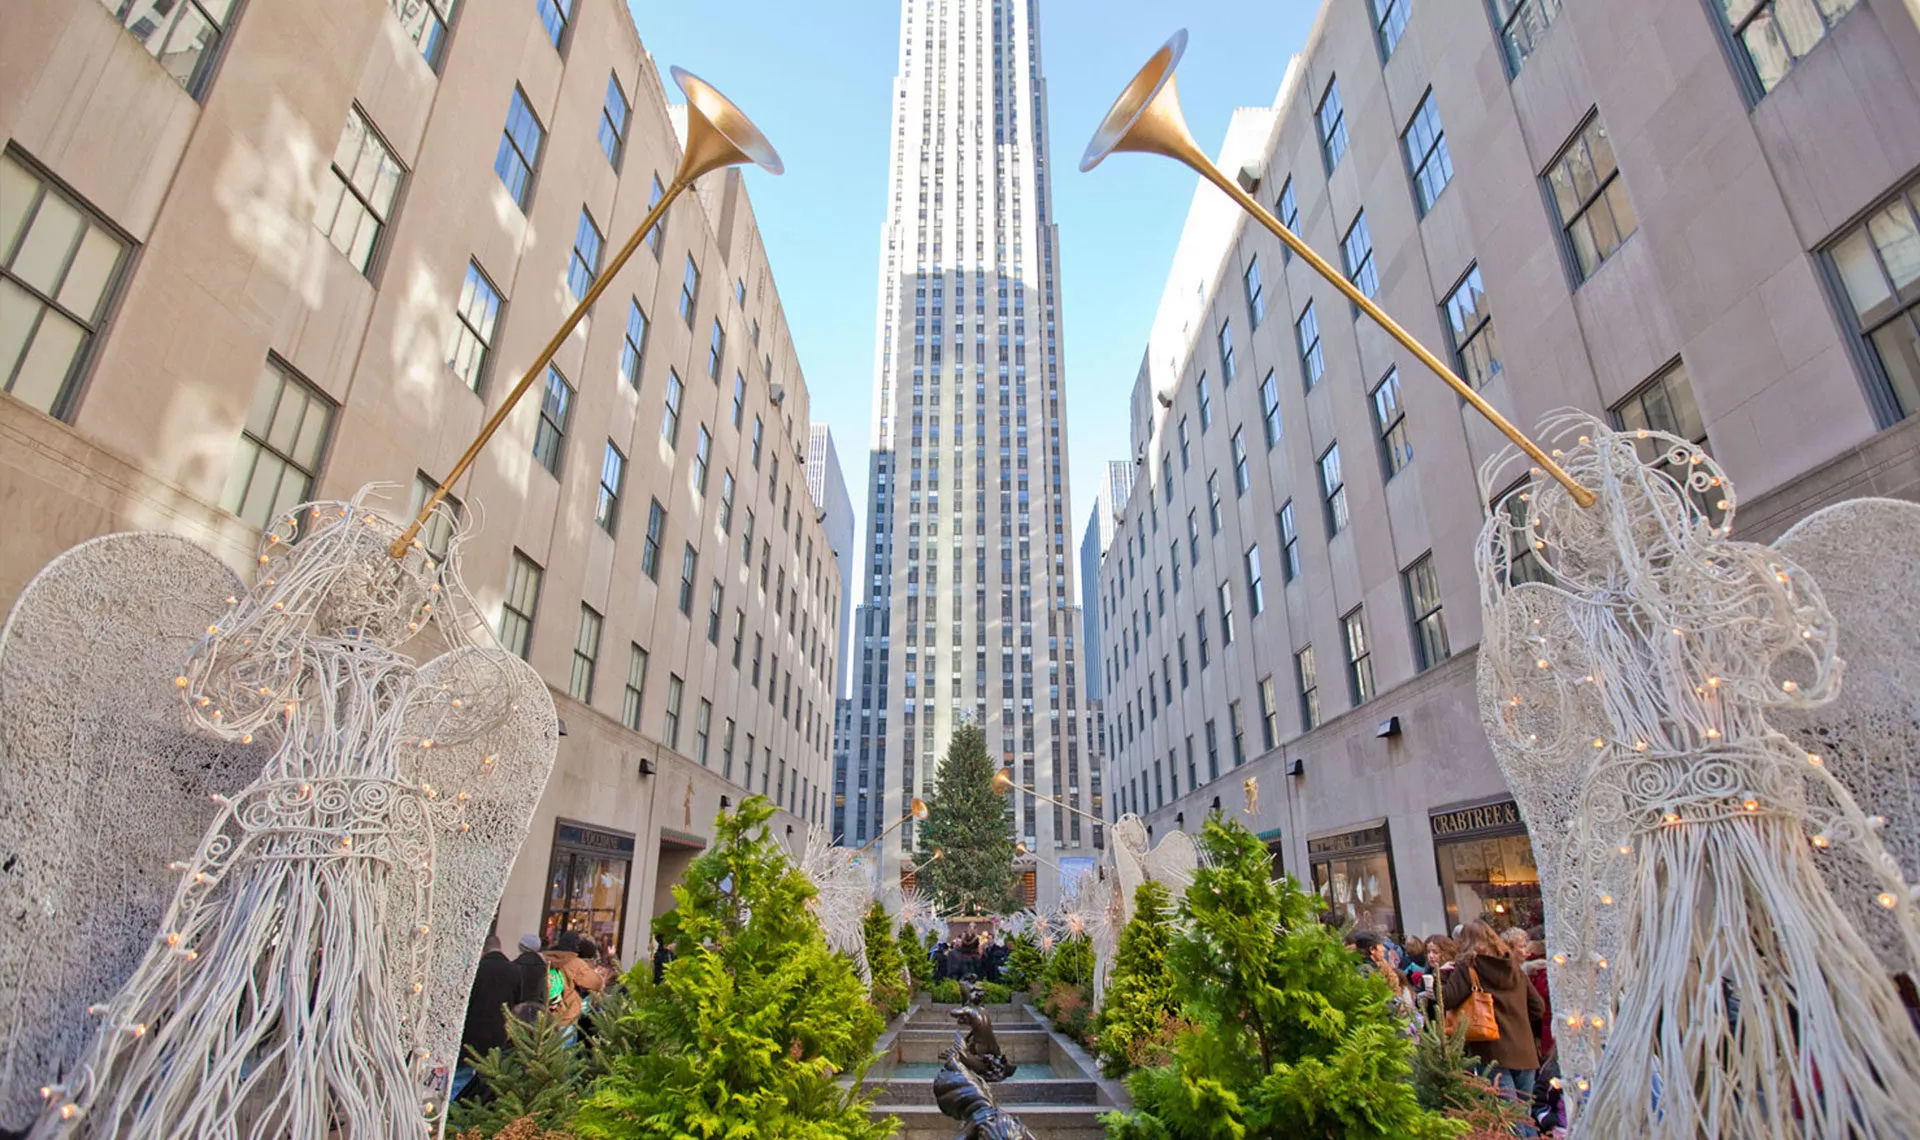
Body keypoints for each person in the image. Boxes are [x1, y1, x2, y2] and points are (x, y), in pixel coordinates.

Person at [1443, 920, 1545, 1136]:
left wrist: (1442, 976)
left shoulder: (1468, 967)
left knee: (1509, 1119)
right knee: (1524, 1117)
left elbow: (1448, 999)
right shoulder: (1514, 967)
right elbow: (1538, 1008)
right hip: (1525, 1051)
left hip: (1492, 1050)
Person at [454, 934, 528, 1101]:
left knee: (461, 1077)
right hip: (499, 1031)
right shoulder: (514, 970)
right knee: (490, 1077)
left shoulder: (476, 969)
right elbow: (517, 1002)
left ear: (482, 950)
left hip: (473, 1029)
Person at [514, 934, 548, 1010]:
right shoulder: (543, 967)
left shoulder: (515, 965)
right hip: (537, 1008)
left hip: (517, 1007)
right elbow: (545, 993)